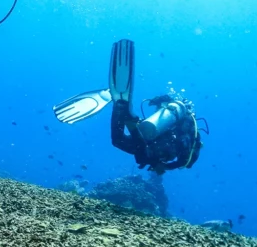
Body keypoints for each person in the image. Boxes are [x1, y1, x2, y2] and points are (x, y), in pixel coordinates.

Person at [53, 39, 204, 173]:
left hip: (147, 137)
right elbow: (185, 160)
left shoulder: (173, 113)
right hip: (153, 147)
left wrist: (157, 101)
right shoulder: (191, 129)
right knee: (135, 151)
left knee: (120, 141)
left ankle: (121, 109)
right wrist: (163, 166)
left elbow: (161, 103)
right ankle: (127, 115)